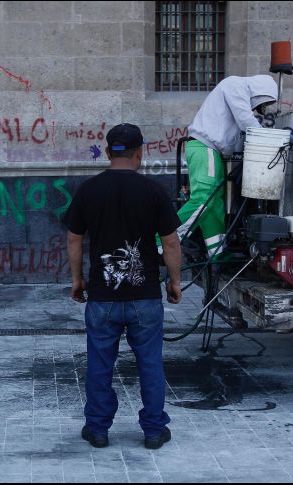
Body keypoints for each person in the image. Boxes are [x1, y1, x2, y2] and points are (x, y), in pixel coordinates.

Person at [64, 123, 183, 450]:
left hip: (102, 298)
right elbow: (171, 243)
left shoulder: (88, 190)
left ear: (107, 151)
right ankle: (154, 431)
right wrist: (174, 281)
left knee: (99, 364)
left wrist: (78, 280)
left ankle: (99, 430)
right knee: (150, 364)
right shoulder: (153, 191)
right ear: (140, 152)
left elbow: (74, 239)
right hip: (145, 298)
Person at [170, 74, 278, 259]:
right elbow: (246, 120)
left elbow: (236, 140)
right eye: (263, 102)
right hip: (205, 149)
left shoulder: (237, 95)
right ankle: (160, 241)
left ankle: (217, 254)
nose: (259, 108)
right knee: (204, 201)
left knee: (214, 207)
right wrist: (270, 139)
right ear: (261, 91)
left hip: (211, 152)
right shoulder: (235, 84)